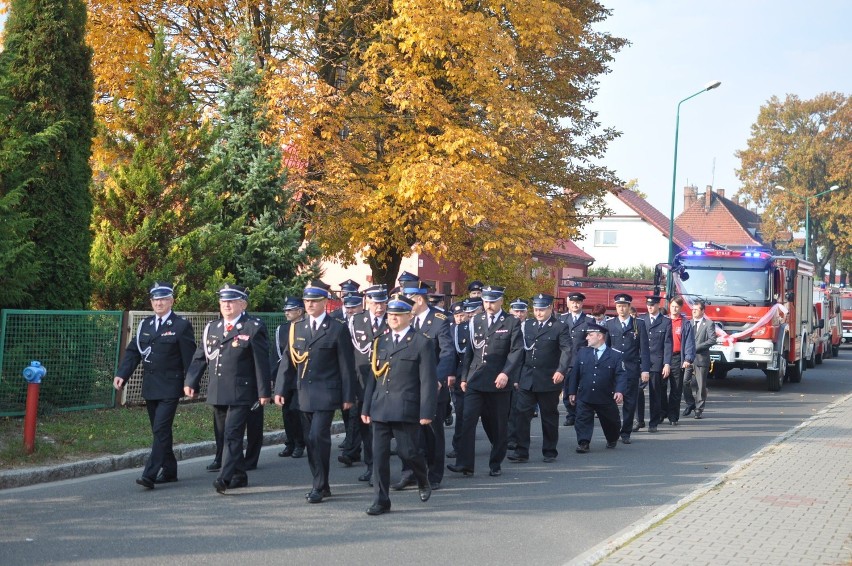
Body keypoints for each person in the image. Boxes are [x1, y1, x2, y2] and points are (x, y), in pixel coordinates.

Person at [274, 280, 357, 503]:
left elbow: (346, 366)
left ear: (324, 302)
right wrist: (280, 388)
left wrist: (349, 396)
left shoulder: (337, 328)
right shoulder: (296, 328)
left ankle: (318, 486)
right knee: (311, 441)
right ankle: (323, 483)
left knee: (317, 437)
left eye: (314, 301)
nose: (309, 304)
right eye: (307, 301)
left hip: (327, 393)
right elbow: (288, 362)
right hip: (304, 393)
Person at [184, 284, 271, 494]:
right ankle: (239, 475)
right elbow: (200, 357)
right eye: (223, 301)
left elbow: (261, 363)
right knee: (223, 434)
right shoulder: (212, 328)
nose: (226, 305)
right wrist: (190, 381)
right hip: (218, 391)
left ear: (243, 304)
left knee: (232, 433)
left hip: (242, 392)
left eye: (231, 301)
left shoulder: (252, 327)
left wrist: (263, 392)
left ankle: (224, 477)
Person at [114, 281, 196, 489]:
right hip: (151, 386)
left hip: (170, 386)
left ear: (171, 301)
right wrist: (122, 374)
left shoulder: (181, 326)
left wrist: (190, 382)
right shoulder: (146, 325)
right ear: (151, 302)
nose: (159, 303)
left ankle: (149, 474)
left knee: (160, 428)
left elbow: (190, 358)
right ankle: (169, 471)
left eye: (163, 299)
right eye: (155, 299)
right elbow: (134, 351)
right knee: (160, 430)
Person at [361, 294, 437, 515]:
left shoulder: (421, 342)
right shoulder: (380, 341)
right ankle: (381, 500)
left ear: (409, 316)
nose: (392, 318)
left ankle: (422, 478)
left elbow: (428, 380)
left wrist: (427, 411)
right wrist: (366, 407)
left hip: (406, 408)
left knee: (409, 453)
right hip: (380, 407)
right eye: (390, 314)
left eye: (398, 314)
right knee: (379, 456)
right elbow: (372, 379)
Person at [448, 285, 523, 477]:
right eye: (486, 301)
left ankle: (495, 463)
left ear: (501, 301)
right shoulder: (476, 320)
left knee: (497, 425)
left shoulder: (511, 321)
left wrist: (506, 373)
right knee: (467, 420)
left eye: (493, 301)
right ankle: (465, 463)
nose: (489, 305)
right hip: (475, 379)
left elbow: (516, 351)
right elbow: (470, 352)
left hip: (499, 381)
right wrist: (464, 376)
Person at [398, 279, 455, 491]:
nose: (405, 306)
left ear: (419, 300)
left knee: (432, 432)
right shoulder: (405, 320)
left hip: (432, 387)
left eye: (409, 300)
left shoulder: (439, 320)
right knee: (407, 432)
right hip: (409, 386)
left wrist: (438, 380)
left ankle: (434, 473)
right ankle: (409, 472)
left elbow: (447, 353)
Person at [508, 293, 572, 463]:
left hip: (549, 378)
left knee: (549, 416)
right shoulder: (527, 325)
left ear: (550, 308)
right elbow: (520, 351)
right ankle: (522, 451)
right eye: (536, 309)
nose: (538, 313)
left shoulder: (559, 326)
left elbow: (566, 350)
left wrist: (561, 370)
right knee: (522, 414)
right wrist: (516, 376)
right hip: (527, 378)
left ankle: (550, 450)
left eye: (542, 309)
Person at [342, 284, 390, 483]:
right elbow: (348, 354)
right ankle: (371, 465)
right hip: (362, 382)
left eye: (382, 302)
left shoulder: (393, 319)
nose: (379, 307)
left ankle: (381, 468)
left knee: (383, 427)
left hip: (386, 380)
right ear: (367, 302)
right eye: (375, 302)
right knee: (366, 426)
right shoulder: (356, 321)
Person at [567, 323, 627, 453]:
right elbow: (575, 373)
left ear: (600, 336)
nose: (587, 337)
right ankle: (583, 442)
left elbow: (621, 375)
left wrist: (619, 391)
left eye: (590, 335)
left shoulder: (615, 355)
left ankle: (612, 438)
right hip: (585, 394)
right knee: (582, 419)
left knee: (611, 422)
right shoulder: (582, 353)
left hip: (605, 395)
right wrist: (572, 391)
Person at [605, 293, 650, 444]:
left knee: (630, 402)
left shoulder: (639, 324)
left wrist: (645, 370)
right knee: (612, 402)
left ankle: (626, 432)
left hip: (632, 369)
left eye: (624, 306)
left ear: (629, 307)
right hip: (614, 370)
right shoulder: (610, 324)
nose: (621, 309)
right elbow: (606, 348)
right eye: (618, 306)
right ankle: (613, 430)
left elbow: (644, 349)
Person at [274, 297, 306, 459]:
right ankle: (290, 442)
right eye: (285, 309)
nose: (286, 312)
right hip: (286, 376)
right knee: (287, 412)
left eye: (290, 310)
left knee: (297, 410)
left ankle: (300, 443)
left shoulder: (306, 327)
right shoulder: (282, 329)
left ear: (300, 311)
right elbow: (278, 354)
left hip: (302, 375)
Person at [636, 295, 672, 433]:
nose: (650, 307)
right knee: (638, 390)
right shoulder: (640, 320)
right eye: (648, 305)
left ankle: (653, 422)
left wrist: (667, 363)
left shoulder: (665, 322)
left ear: (658, 305)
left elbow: (668, 344)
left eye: (652, 305)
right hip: (641, 361)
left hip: (657, 361)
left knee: (655, 393)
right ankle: (639, 420)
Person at [559, 291, 589, 426]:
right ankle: (571, 414)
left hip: (581, 361)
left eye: (578, 302)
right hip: (565, 361)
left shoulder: (589, 320)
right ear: (568, 303)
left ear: (582, 303)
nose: (575, 305)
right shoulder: (561, 319)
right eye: (573, 302)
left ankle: (580, 414)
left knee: (580, 390)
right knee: (566, 390)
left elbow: (591, 343)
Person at [683, 299, 717, 419]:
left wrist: (696, 347)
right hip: (688, 358)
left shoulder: (708, 324)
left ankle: (699, 408)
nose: (694, 312)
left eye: (696, 310)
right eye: (693, 310)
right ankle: (690, 403)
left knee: (700, 385)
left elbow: (712, 339)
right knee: (684, 382)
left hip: (701, 358)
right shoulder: (688, 323)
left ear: (703, 311)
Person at [665, 296, 695, 425]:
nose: (674, 309)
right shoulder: (663, 321)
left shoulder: (685, 323)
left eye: (677, 306)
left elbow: (689, 342)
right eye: (672, 306)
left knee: (676, 389)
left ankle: (673, 417)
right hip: (662, 359)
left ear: (681, 308)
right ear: (669, 306)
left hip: (677, 358)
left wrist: (688, 358)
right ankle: (661, 413)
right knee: (659, 388)